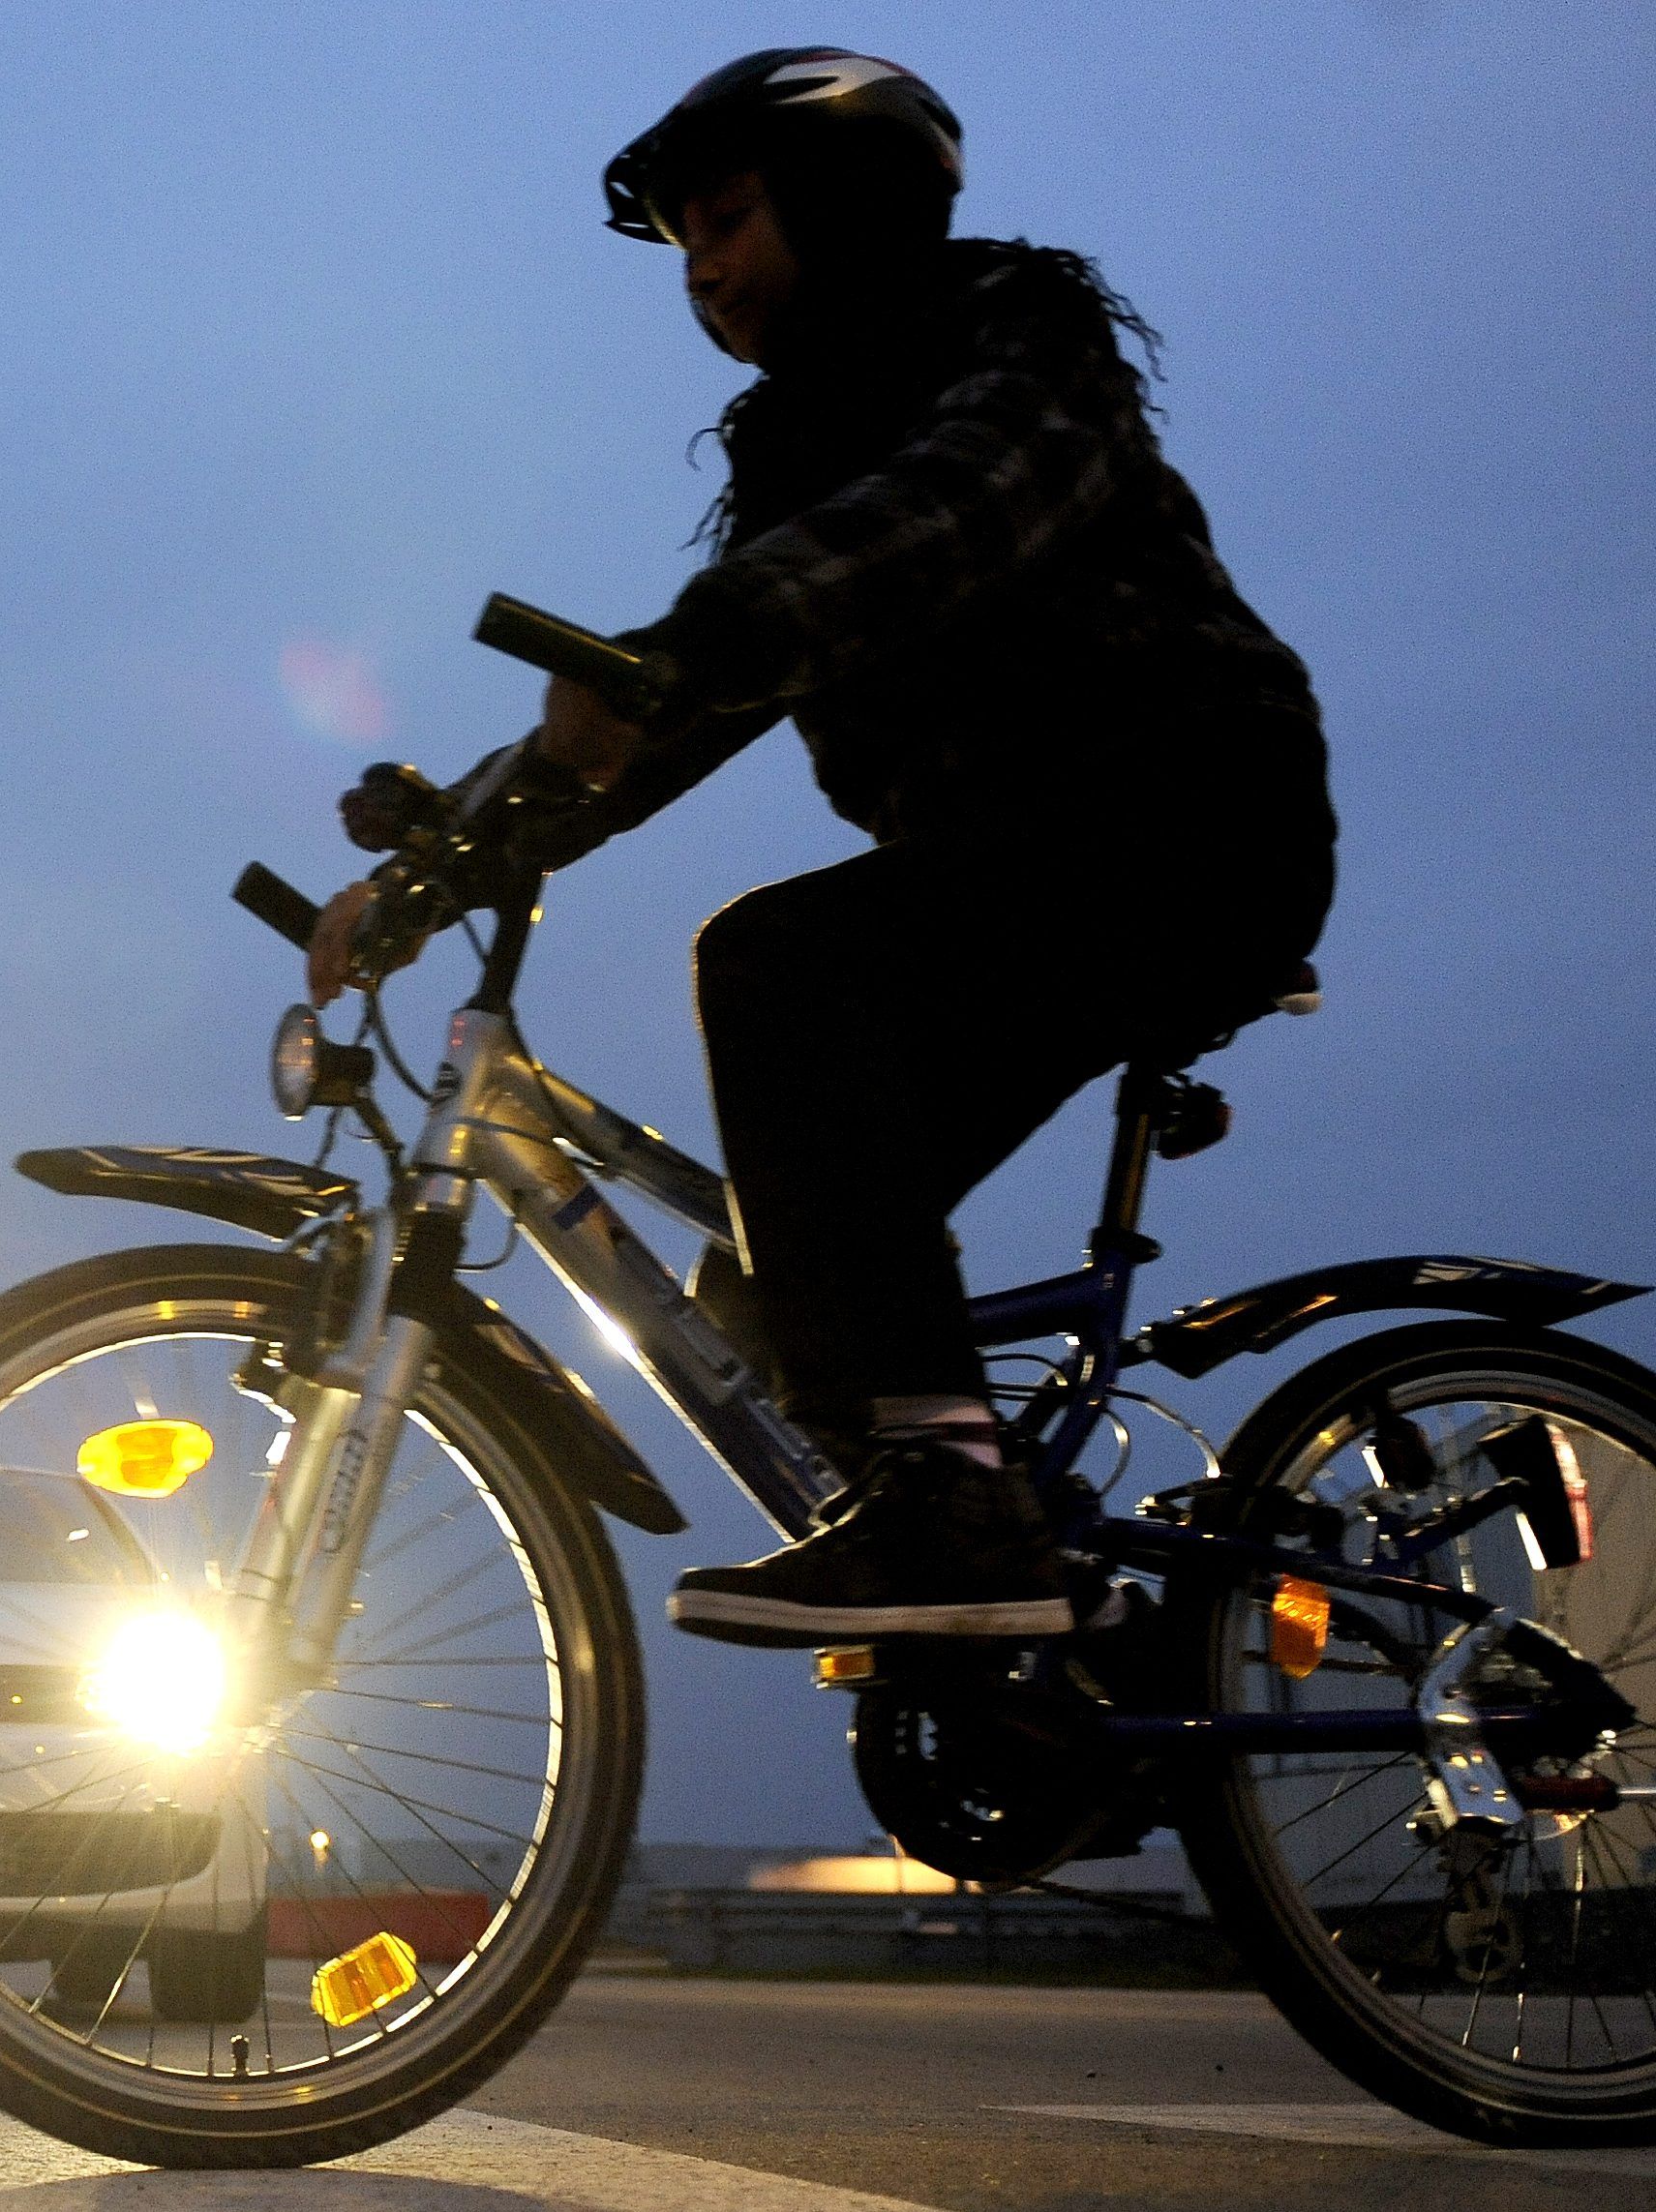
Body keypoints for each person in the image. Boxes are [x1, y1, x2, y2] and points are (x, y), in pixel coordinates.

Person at [307, 48, 1337, 1646]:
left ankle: (953, 1510)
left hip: (1189, 820)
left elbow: (949, 511)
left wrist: (686, 652)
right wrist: (436, 868)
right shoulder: (797, 457)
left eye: (728, 218)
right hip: (1010, 869)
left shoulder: (1026, 341)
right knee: (790, 1294)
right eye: (681, 244)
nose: (702, 267)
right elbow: (671, 715)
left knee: (780, 963)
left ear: (851, 202)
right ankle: (1017, 1608)